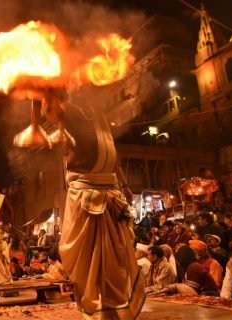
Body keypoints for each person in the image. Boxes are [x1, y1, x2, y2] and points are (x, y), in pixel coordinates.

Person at [51, 98, 145, 317]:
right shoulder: (68, 111)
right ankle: (97, 309)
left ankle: (116, 308)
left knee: (118, 256)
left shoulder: (99, 113)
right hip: (87, 193)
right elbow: (51, 107)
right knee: (92, 260)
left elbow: (113, 155)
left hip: (111, 192)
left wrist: (124, 184)